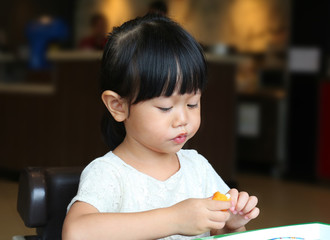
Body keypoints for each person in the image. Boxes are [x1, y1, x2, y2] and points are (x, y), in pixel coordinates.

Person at [62, 14, 259, 240]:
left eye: (192, 103)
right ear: (118, 106)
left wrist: (229, 226)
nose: (182, 119)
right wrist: (175, 218)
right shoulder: (109, 174)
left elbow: (219, 232)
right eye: (165, 108)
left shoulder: (198, 168)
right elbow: (76, 233)